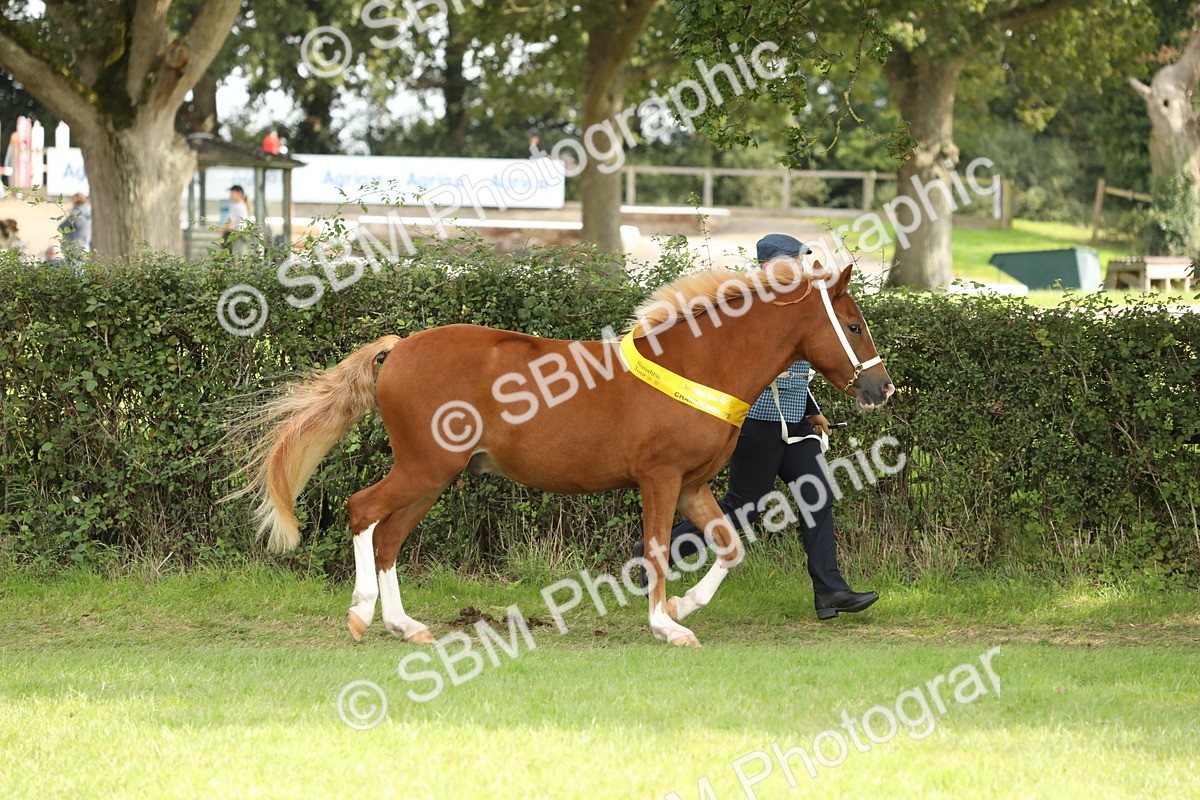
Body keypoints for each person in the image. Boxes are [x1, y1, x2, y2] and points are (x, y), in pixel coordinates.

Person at [634, 233, 879, 620]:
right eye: (796, 260)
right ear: (773, 265)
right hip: (757, 423)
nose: (802, 266)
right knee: (744, 508)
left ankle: (831, 591)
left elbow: (804, 367)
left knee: (817, 498)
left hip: (796, 424)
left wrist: (812, 410)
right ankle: (650, 553)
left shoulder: (800, 306)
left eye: (803, 259)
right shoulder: (752, 309)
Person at [58, 193, 92, 258]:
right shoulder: (87, 214)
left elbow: (60, 227)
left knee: (72, 267)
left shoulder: (75, 214)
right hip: (82, 245)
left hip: (72, 247)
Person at [221, 184, 250, 253]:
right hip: (239, 235)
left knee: (231, 257)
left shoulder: (238, 206)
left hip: (236, 235)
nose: (230, 195)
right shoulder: (241, 205)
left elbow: (230, 224)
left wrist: (222, 231)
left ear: (239, 193)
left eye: (232, 193)